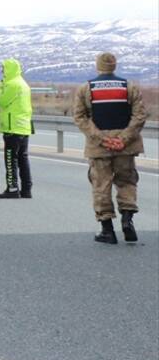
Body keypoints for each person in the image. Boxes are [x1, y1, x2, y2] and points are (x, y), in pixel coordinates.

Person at [71, 52, 148, 244]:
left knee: (101, 184)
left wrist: (102, 139)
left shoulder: (86, 89)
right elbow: (139, 116)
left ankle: (107, 229)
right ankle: (127, 219)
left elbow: (80, 117)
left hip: (99, 148)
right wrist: (123, 138)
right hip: (126, 147)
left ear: (98, 66)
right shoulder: (129, 87)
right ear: (114, 66)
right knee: (127, 181)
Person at [0, 57, 34, 199]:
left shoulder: (11, 84)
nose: (2, 71)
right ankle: (26, 189)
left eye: (4, 69)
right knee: (23, 158)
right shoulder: (24, 84)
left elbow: (2, 101)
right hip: (24, 126)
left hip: (13, 127)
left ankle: (12, 188)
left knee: (11, 159)